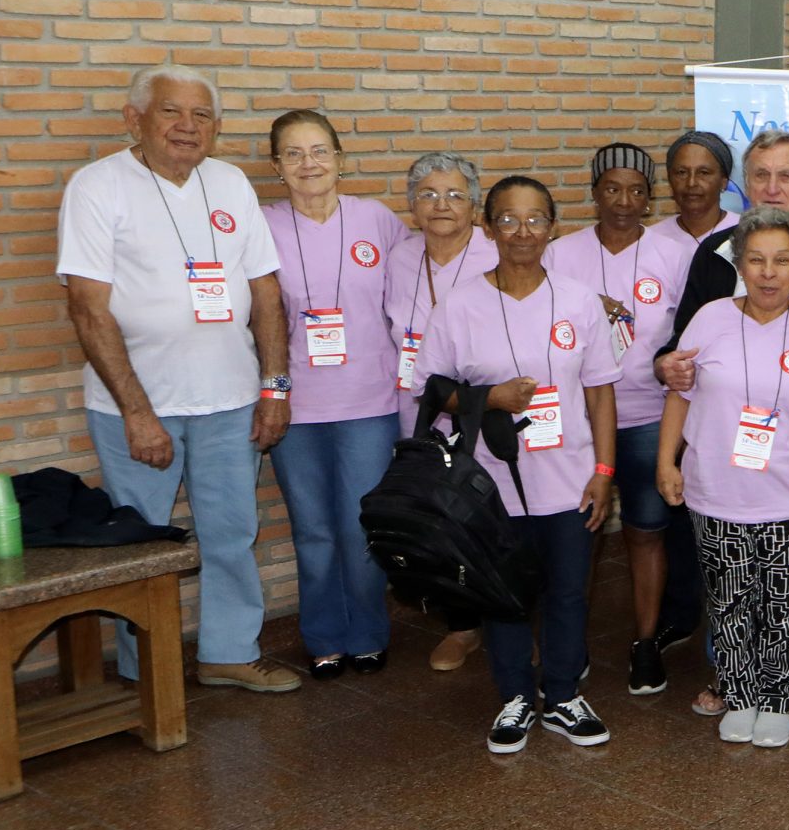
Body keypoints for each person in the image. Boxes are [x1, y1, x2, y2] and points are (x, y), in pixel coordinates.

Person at [57, 64, 302, 693]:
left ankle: (229, 653)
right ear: (133, 118)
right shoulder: (97, 186)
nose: (187, 127)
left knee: (231, 533)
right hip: (137, 407)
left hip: (231, 400)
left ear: (216, 129)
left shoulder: (229, 183)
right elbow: (87, 306)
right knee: (139, 546)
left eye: (201, 116)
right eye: (171, 112)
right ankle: (148, 673)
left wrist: (274, 388)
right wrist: (139, 413)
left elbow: (266, 292)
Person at [661, 128, 789, 716]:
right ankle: (732, 678)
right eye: (761, 176)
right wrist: (665, 367)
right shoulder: (717, 254)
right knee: (730, 572)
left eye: (787, 176)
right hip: (725, 448)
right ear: (743, 185)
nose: (773, 188)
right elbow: (681, 353)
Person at [417, 176, 618, 753]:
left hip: (570, 479)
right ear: (488, 227)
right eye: (508, 219)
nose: (522, 231)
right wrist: (490, 399)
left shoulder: (579, 301)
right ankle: (514, 697)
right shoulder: (460, 305)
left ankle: (560, 694)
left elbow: (601, 391)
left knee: (568, 591)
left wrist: (604, 472)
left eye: (535, 219)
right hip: (490, 484)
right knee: (501, 593)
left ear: (553, 228)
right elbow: (431, 392)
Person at [261, 110, 409, 680]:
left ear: (340, 159)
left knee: (358, 525)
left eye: (320, 151)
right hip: (295, 405)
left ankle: (368, 632)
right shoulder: (261, 224)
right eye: (293, 154)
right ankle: (323, 635)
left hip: (369, 401)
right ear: (276, 166)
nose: (308, 164)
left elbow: (415, 287)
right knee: (313, 529)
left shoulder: (375, 219)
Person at [544, 143, 695, 698]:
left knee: (646, 531)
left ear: (649, 196)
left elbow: (687, 335)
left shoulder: (673, 254)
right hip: (580, 422)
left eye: (636, 190)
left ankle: (646, 643)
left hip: (650, 418)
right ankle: (569, 646)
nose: (624, 201)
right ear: (594, 192)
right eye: (612, 188)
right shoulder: (562, 253)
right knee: (576, 537)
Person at [387, 150, 498, 674]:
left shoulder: (498, 254)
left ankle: (514, 623)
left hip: (488, 415)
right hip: (421, 417)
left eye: (455, 194)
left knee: (500, 522)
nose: (442, 205)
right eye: (428, 194)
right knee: (439, 525)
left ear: (474, 204)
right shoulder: (400, 258)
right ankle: (461, 627)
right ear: (411, 205)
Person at [634, 131, 737, 667]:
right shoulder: (652, 240)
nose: (692, 183)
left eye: (705, 172)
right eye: (680, 172)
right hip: (669, 393)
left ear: (725, 178)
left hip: (728, 397)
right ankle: (682, 612)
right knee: (676, 515)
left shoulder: (742, 236)